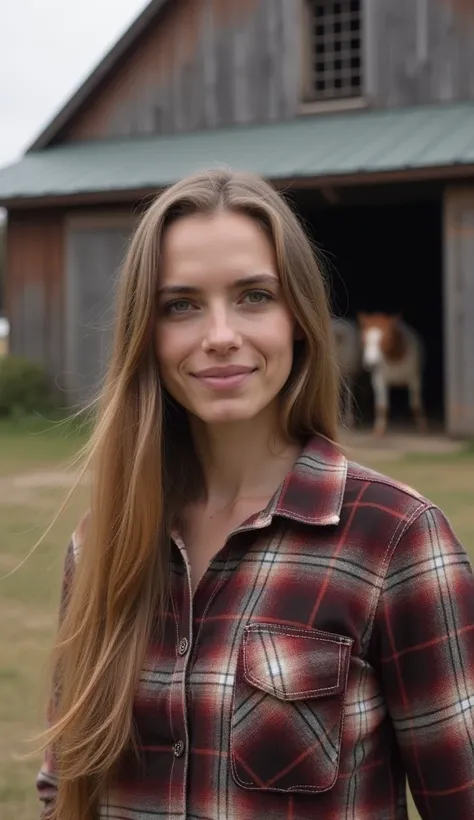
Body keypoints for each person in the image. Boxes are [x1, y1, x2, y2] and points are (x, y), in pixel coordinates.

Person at [36, 169, 474, 820]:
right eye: (180, 305)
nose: (218, 334)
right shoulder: (101, 542)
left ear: (298, 317)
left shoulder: (397, 541)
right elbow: (64, 790)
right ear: (146, 337)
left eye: (253, 296)